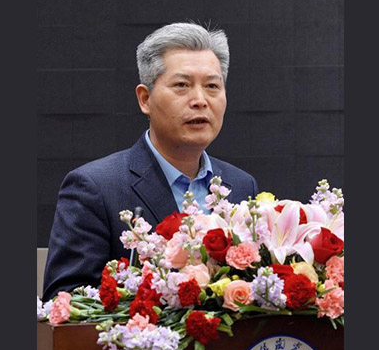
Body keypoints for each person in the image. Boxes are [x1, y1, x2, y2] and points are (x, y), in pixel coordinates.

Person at [42, 22, 259, 300]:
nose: (200, 100)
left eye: (212, 86)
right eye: (182, 85)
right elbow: (65, 300)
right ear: (145, 99)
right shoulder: (95, 188)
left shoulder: (241, 186)